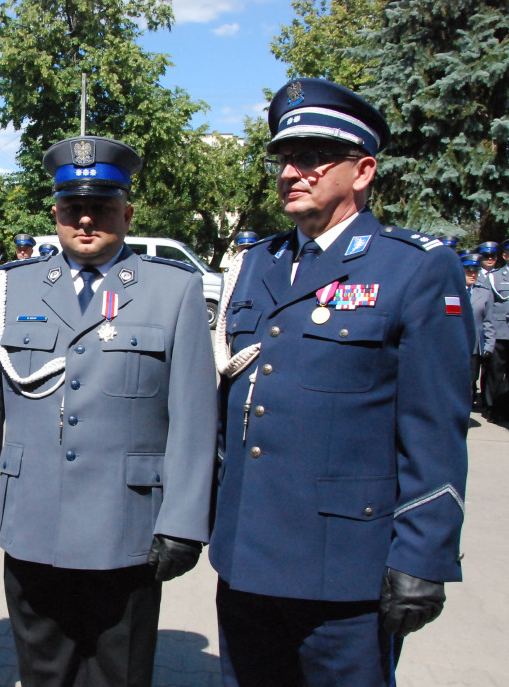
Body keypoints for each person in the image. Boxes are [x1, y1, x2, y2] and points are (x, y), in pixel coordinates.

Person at [211, 78, 470, 686]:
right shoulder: (256, 263)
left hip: (346, 567)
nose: (291, 172)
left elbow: (435, 427)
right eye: (284, 158)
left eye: (311, 157)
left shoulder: (415, 266)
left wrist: (424, 555)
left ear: (362, 171)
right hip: (247, 557)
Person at [0, 135, 217, 687]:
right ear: (55, 213)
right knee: (42, 672)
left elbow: (194, 420)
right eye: (73, 208)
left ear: (127, 211)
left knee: (117, 676)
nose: (86, 219)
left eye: (101, 207)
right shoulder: (13, 288)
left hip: (128, 533)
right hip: (32, 524)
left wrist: (184, 523)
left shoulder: (173, 291)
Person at [463, 253, 495, 409]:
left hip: (474, 346)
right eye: (469, 270)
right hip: (452, 344)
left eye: (475, 270)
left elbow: (488, 320)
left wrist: (489, 344)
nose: (473, 274)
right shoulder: (452, 291)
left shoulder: (484, 293)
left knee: (470, 380)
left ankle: (464, 414)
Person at [485, 240, 509, 422]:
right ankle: (492, 407)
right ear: (505, 256)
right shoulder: (495, 277)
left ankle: (504, 407)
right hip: (500, 332)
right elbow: (489, 307)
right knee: (495, 372)